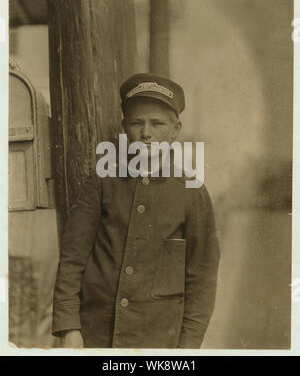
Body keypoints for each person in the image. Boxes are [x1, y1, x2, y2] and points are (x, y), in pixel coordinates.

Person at [52, 73, 220, 348]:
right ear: (124, 127)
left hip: (158, 338)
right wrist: (69, 328)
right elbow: (72, 258)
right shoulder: (102, 182)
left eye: (157, 124)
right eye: (137, 123)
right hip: (95, 333)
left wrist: (188, 346)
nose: (146, 133)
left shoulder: (192, 192)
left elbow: (202, 277)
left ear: (175, 129)